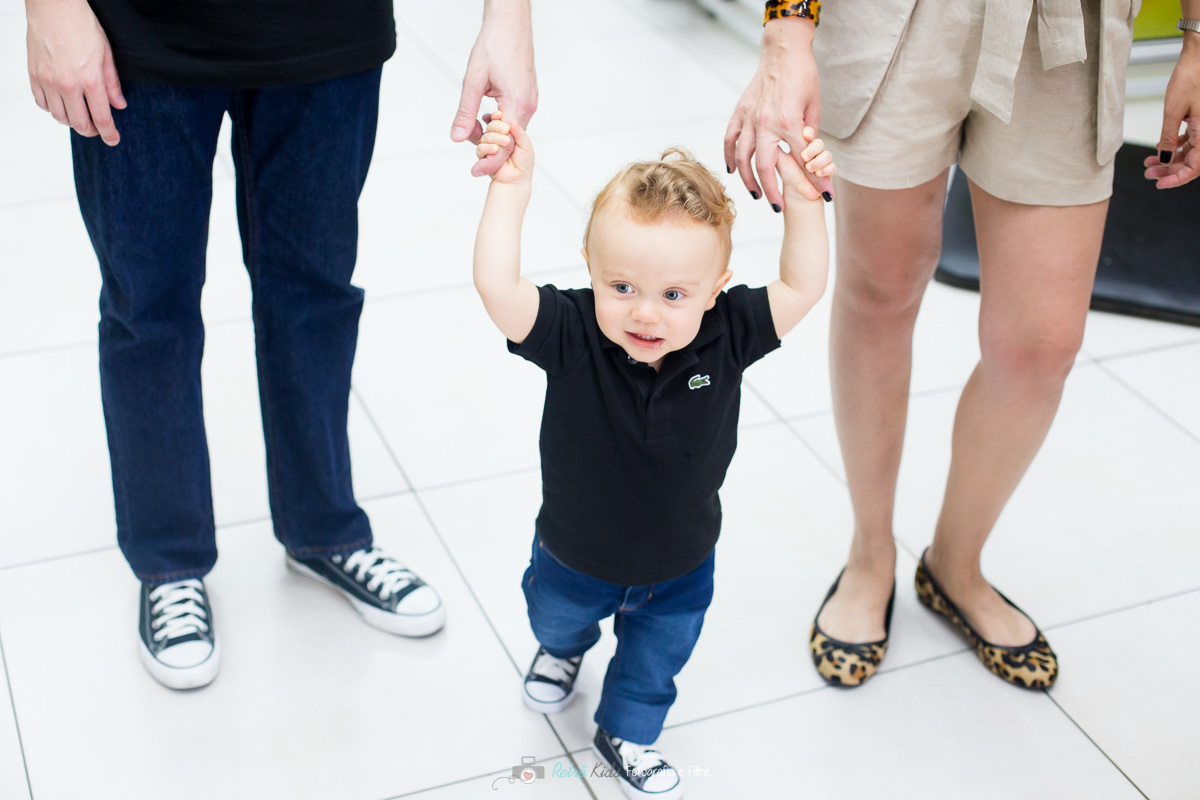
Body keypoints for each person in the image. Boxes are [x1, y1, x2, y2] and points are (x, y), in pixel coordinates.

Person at [24, 0, 536, 690]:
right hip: (137, 29)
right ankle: (168, 561)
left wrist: (509, 17)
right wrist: (51, 10)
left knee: (315, 295)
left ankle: (323, 528)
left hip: (328, 26)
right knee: (147, 312)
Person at [727, 0, 1200, 690]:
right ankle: (870, 554)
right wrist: (785, 33)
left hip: (1069, 27)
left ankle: (955, 563)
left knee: (1040, 346)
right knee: (880, 293)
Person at [471, 111, 832, 799]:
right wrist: (510, 190)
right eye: (622, 288)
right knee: (554, 617)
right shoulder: (573, 331)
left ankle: (628, 730)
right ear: (591, 268)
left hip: (681, 560)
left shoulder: (727, 333)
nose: (645, 314)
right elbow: (497, 287)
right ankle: (562, 648)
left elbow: (802, 287)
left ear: (716, 288)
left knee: (658, 657)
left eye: (674, 295)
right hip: (574, 553)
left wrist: (806, 202)